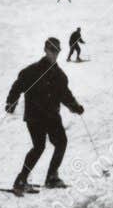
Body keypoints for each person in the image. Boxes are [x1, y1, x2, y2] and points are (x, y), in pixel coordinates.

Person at [5, 37, 83, 192]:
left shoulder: (60, 75)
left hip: (52, 116)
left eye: (56, 51)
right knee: (39, 146)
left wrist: (75, 106)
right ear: (45, 50)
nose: (54, 54)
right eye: (51, 50)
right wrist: (11, 102)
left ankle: (51, 177)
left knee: (61, 142)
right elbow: (18, 86)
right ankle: (21, 180)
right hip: (35, 116)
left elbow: (65, 94)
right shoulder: (31, 70)